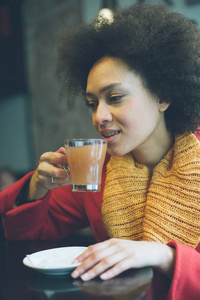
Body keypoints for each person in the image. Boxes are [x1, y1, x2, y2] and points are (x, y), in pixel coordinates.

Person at [0, 3, 200, 299]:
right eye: (92, 103)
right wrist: (35, 187)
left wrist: (164, 256)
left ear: (163, 96)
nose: (99, 116)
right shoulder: (97, 170)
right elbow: (26, 239)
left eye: (115, 97)